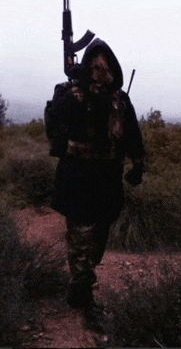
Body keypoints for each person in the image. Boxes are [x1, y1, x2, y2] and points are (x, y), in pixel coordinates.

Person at [45, 38, 145, 330]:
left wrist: (138, 164)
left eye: (105, 67)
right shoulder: (69, 93)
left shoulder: (119, 99)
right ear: (86, 68)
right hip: (77, 175)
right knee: (81, 239)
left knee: (99, 238)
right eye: (95, 67)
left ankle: (81, 285)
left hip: (107, 177)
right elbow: (54, 119)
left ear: (113, 69)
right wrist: (75, 94)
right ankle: (84, 296)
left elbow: (132, 134)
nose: (100, 72)